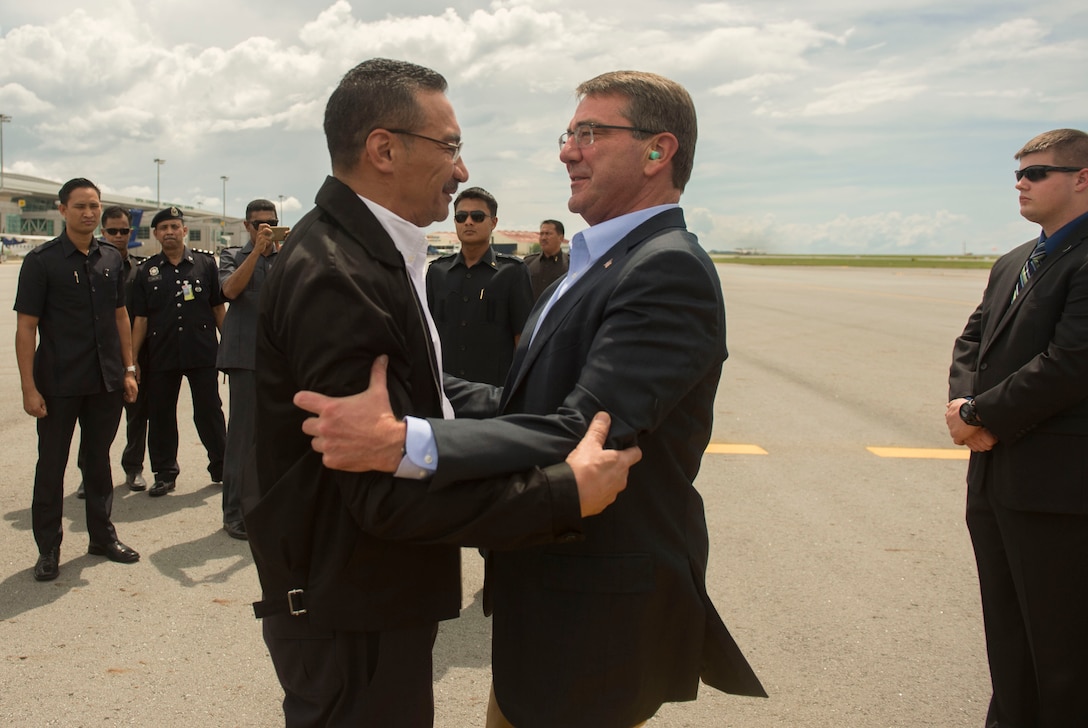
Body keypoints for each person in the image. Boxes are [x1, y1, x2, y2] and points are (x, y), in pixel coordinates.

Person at [296, 70, 767, 727]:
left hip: (595, 608)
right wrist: (422, 383)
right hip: (547, 592)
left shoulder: (667, 268)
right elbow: (523, 402)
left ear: (658, 151)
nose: (567, 151)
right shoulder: (596, 263)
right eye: (569, 134)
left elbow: (583, 427)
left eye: (590, 133)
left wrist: (408, 439)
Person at [248, 58, 639, 727]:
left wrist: (529, 406)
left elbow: (420, 389)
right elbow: (380, 494)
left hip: (364, 598)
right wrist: (560, 494)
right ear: (384, 148)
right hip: (353, 615)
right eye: (450, 147)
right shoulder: (338, 276)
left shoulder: (365, 250)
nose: (461, 171)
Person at [946, 128, 1088, 726]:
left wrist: (983, 415)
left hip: (1058, 489)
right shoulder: (1014, 262)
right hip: (997, 476)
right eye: (1019, 173)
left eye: (1037, 173)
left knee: (1063, 645)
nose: (1021, 183)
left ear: (1081, 179)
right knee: (1007, 631)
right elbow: (972, 341)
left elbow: (1072, 360)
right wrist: (963, 411)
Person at [14, 178, 140, 581]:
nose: (89, 213)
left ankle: (102, 537)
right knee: (52, 466)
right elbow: (25, 328)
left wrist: (129, 369)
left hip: (104, 382)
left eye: (95, 206)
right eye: (81, 206)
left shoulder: (111, 258)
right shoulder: (42, 261)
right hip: (58, 382)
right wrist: (29, 388)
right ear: (62, 209)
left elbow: (121, 316)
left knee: (98, 462)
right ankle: (48, 548)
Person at [130, 207, 227, 498]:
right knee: (160, 415)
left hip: (202, 352)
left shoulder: (205, 263)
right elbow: (142, 320)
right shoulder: (146, 271)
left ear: (184, 230)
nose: (169, 232)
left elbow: (217, 308)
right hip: (162, 354)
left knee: (209, 411)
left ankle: (222, 467)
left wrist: (230, 345)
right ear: (156, 234)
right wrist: (132, 360)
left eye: (175, 226)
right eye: (163, 228)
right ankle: (164, 473)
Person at [216, 199, 283, 540]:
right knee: (242, 440)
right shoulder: (232, 256)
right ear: (247, 226)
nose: (266, 228)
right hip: (245, 359)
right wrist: (256, 251)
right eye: (259, 224)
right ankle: (234, 513)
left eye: (271, 222)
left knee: (276, 439)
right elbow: (229, 290)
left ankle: (267, 508)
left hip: (280, 361)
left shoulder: (287, 258)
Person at [77, 206, 149, 498]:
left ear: (130, 233)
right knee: (94, 422)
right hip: (99, 356)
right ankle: (89, 474)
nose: (118, 236)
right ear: (102, 232)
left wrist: (132, 361)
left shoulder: (142, 270)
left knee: (137, 416)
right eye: (112, 231)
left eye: (124, 231)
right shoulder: (89, 266)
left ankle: (133, 467)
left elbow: (143, 316)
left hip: (136, 354)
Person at [426, 187, 532, 385]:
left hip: (492, 392)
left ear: (493, 222)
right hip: (444, 388)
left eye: (477, 216)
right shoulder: (437, 272)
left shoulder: (512, 272)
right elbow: (427, 332)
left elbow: (522, 337)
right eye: (461, 217)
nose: (468, 222)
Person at [522, 218, 569, 301]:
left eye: (548, 234)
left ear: (560, 238)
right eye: (541, 234)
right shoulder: (528, 262)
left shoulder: (570, 264)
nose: (543, 238)